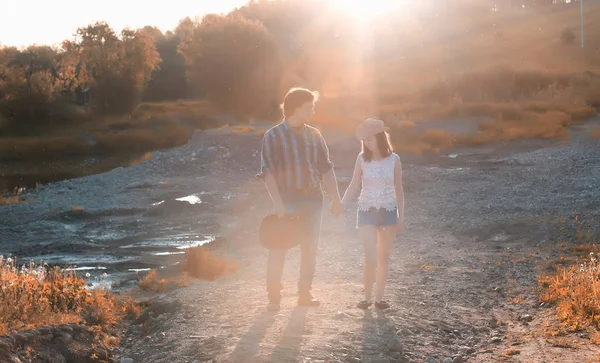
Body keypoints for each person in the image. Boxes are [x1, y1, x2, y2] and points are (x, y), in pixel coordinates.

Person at [257, 87, 343, 312]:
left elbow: (326, 168)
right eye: (309, 107)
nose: (313, 111)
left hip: (314, 199)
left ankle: (304, 294)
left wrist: (336, 198)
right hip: (287, 199)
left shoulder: (315, 134)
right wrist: (277, 204)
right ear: (295, 108)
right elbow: (268, 173)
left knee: (310, 248)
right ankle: (274, 297)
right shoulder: (272, 136)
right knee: (278, 248)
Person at [341, 118, 405, 310]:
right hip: (367, 210)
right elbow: (353, 185)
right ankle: (366, 298)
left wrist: (401, 217)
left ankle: (379, 299)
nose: (367, 143)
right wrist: (342, 204)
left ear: (380, 137)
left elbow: (399, 189)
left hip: (388, 211)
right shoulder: (361, 159)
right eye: (365, 140)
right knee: (370, 256)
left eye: (370, 139)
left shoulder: (394, 160)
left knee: (383, 257)